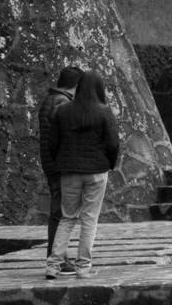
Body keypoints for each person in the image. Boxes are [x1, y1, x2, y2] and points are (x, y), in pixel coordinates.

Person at [41, 71, 119, 279]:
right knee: (89, 219)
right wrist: (109, 163)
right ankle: (83, 267)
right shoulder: (104, 111)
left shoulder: (64, 111)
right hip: (96, 172)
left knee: (67, 218)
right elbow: (113, 143)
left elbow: (52, 142)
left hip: (69, 172)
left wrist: (61, 162)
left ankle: (53, 265)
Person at [37, 66, 82, 277]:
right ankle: (57, 258)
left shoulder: (51, 100)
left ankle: (57, 256)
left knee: (58, 211)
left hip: (51, 162)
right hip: (60, 164)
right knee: (61, 213)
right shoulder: (63, 103)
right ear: (76, 84)